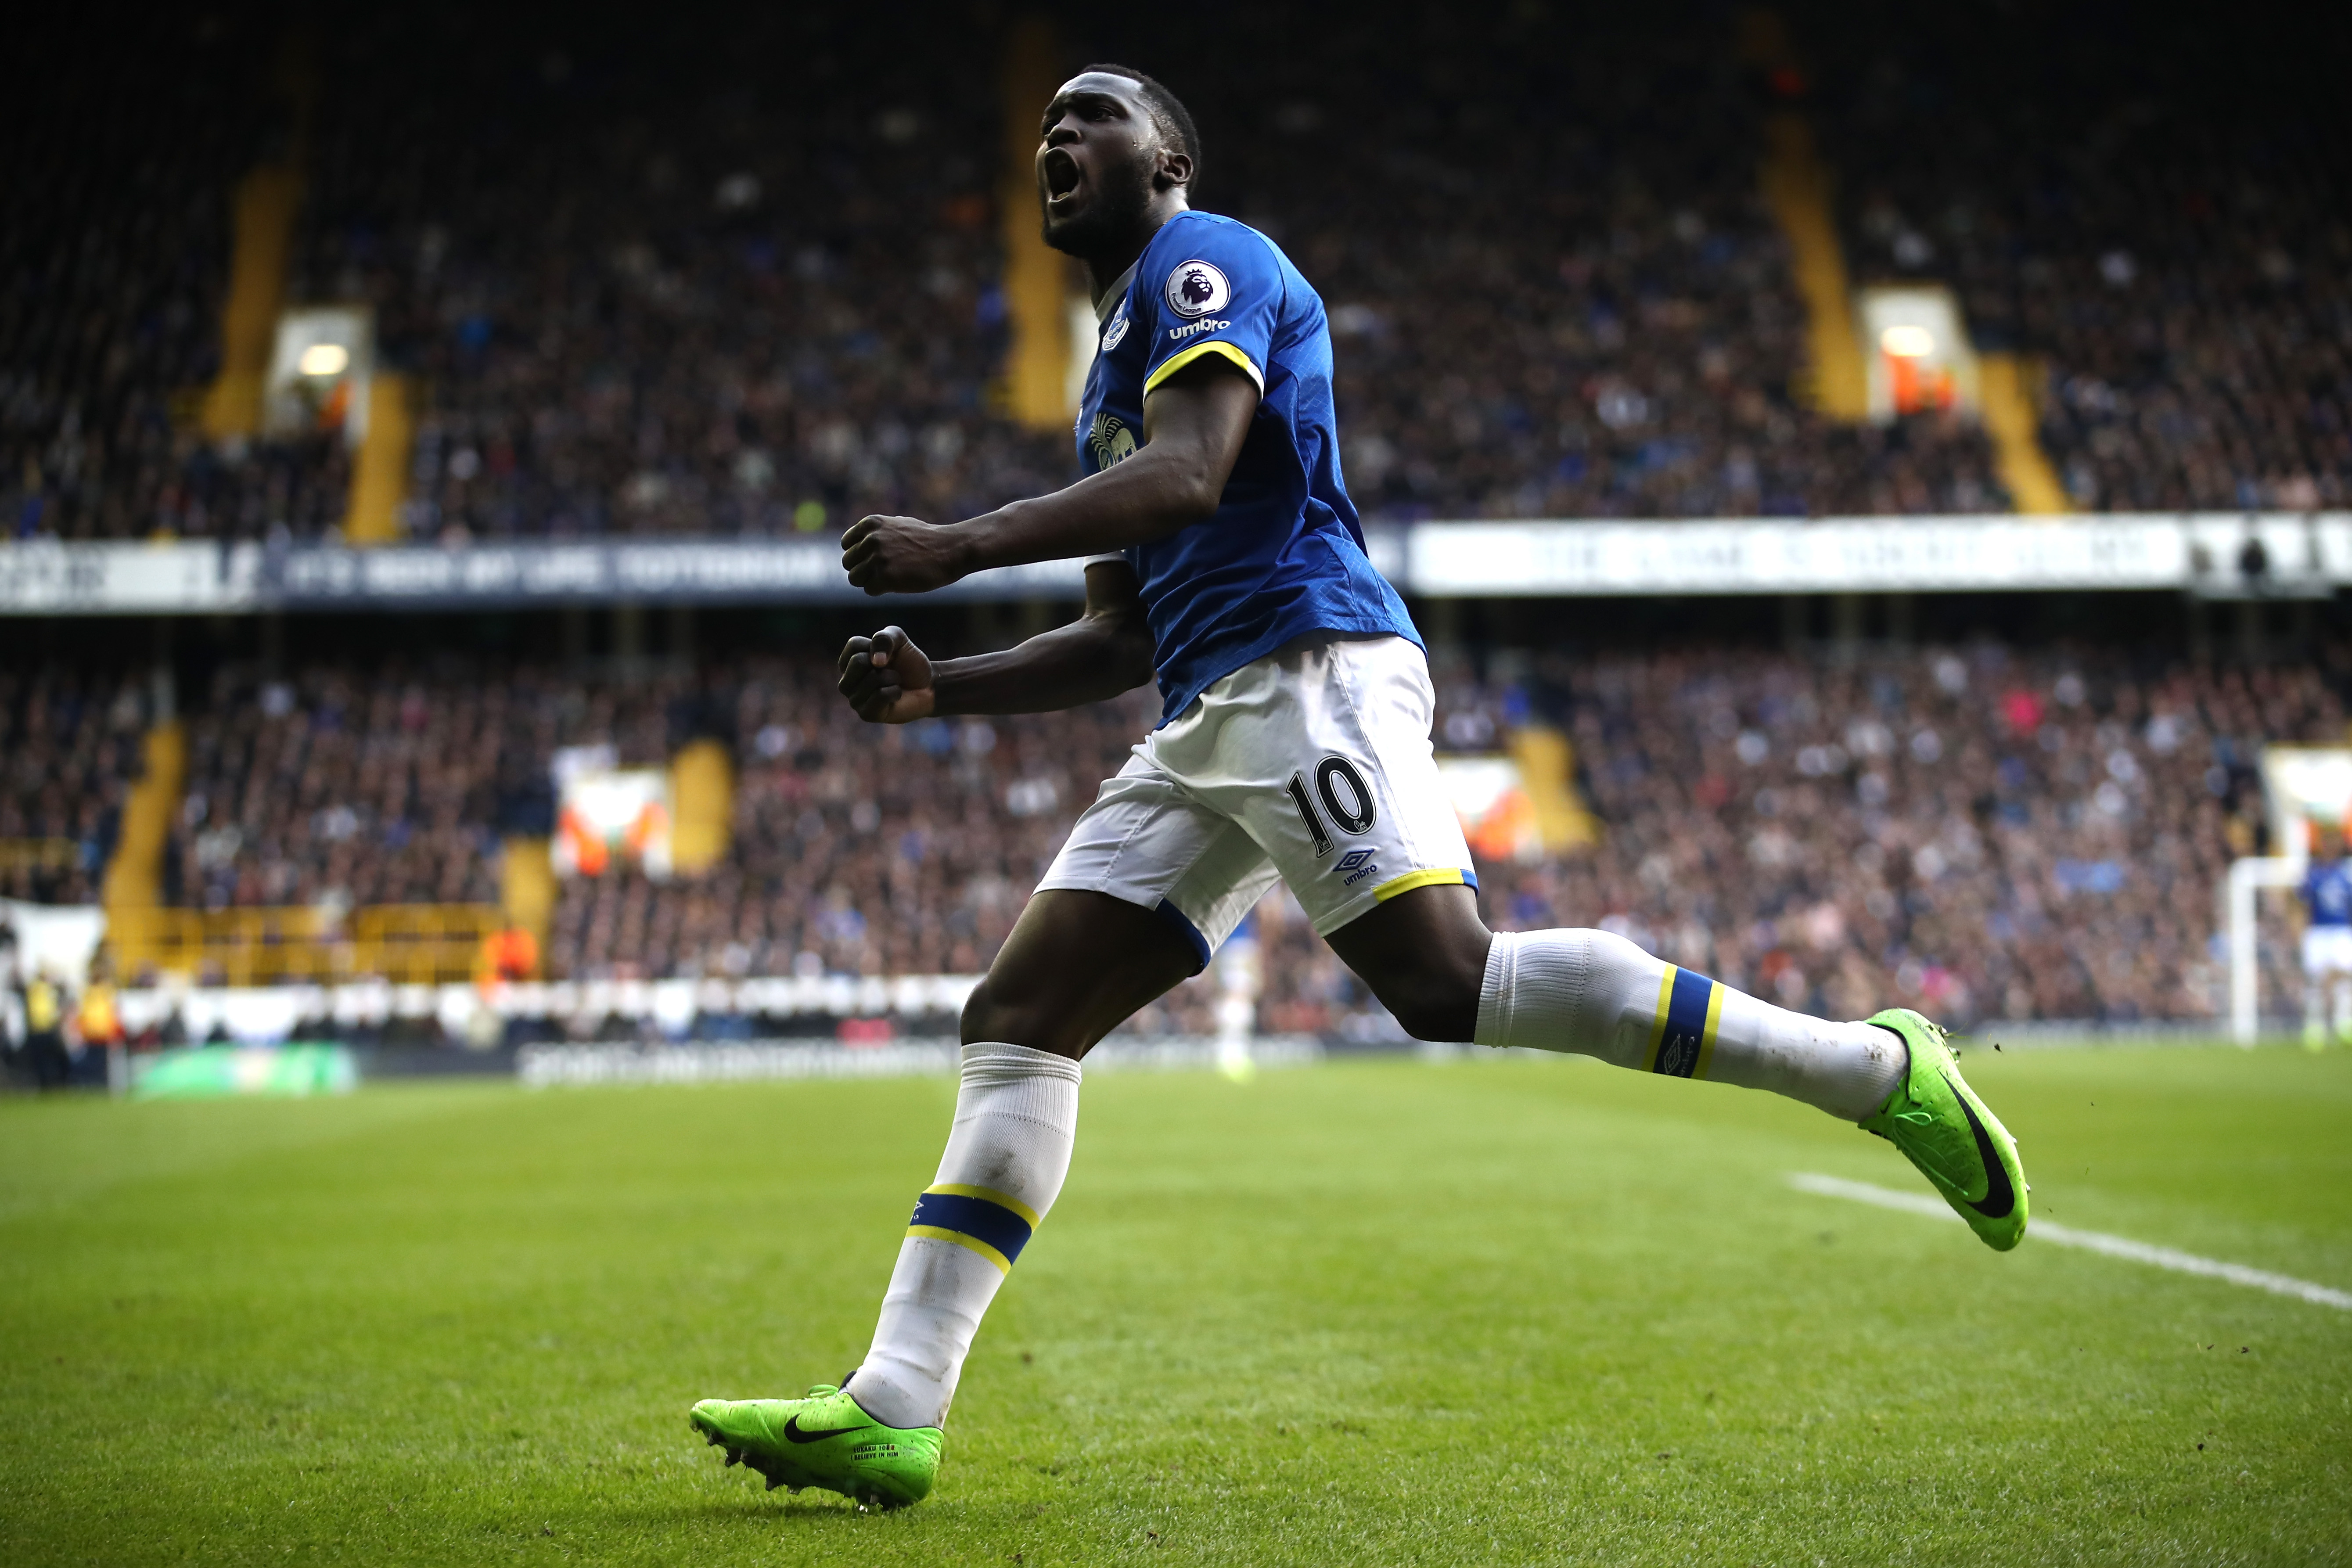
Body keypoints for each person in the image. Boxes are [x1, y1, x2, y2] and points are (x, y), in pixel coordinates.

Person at [689, 64, 2028, 1509]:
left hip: (1305, 662)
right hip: (1208, 708)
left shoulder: (1207, 262)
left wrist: (960, 543)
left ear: (1169, 156)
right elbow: (1121, 633)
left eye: (1092, 116)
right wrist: (941, 686)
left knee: (1444, 981)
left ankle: (1877, 1072)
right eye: (1042, 126)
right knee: (1017, 1017)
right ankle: (894, 1405)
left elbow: (1197, 476)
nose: (1056, 139)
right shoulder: (1104, 382)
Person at [2298, 824, 2352, 1050]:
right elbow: (2300, 902)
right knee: (2316, 981)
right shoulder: (2313, 873)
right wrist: (2299, 930)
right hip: (2318, 931)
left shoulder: (2347, 872)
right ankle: (2315, 1027)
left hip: (2341, 930)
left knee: (2345, 977)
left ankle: (2344, 1022)